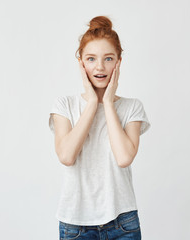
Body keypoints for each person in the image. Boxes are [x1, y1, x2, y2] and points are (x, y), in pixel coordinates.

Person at [49, 15, 150, 240]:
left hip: (123, 222)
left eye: (108, 58)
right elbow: (66, 156)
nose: (100, 67)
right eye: (91, 59)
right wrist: (93, 103)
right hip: (75, 225)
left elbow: (124, 157)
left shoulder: (132, 107)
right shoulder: (64, 105)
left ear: (119, 62)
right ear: (81, 63)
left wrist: (107, 103)